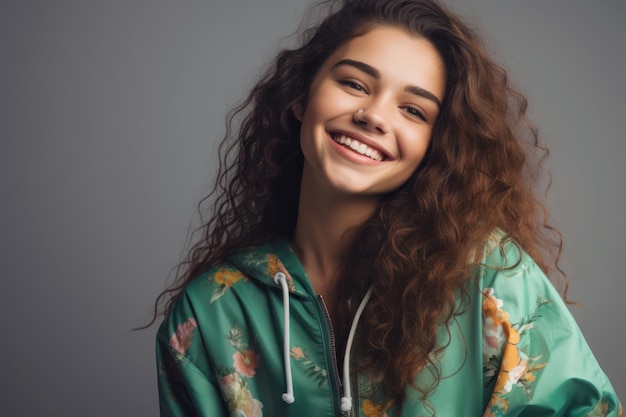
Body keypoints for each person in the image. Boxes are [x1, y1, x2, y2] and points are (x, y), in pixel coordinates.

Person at [154, 0, 622, 416]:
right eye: (355, 83)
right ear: (301, 95)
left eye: (413, 110)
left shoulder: (489, 277)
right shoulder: (208, 313)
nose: (374, 116)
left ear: (435, 146)